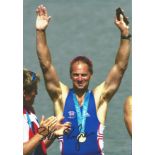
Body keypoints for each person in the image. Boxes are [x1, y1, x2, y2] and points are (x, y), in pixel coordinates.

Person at [35, 4, 131, 155]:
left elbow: (120, 67)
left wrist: (125, 34)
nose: (80, 79)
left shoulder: (100, 97)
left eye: (84, 75)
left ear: (90, 75)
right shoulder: (61, 96)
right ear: (70, 76)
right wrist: (40, 31)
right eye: (76, 75)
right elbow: (46, 66)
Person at [23, 68, 71, 155]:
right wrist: (40, 134)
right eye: (34, 89)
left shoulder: (29, 112)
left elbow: (37, 147)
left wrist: (52, 133)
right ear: (24, 92)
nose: (36, 93)